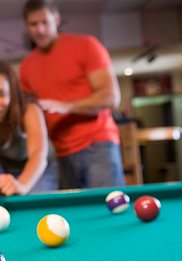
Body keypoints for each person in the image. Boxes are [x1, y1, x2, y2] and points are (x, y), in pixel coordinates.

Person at [20, 0, 125, 189]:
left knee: (109, 208)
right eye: (33, 24)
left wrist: (65, 106)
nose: (40, 30)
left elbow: (111, 97)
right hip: (58, 154)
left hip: (97, 145)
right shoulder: (26, 66)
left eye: (45, 22)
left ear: (57, 20)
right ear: (26, 26)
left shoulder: (86, 45)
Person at [0, 60, 56, 196]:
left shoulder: (29, 110)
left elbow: (38, 154)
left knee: (31, 204)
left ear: (11, 93)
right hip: (7, 170)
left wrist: (21, 185)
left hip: (40, 169)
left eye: (0, 94)